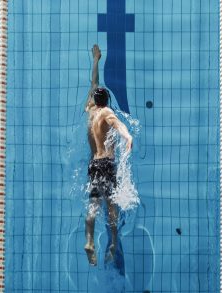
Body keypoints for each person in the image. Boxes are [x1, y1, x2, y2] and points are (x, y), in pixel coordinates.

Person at [84, 44, 133, 266]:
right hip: (106, 163)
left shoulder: (91, 111)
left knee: (94, 204)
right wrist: (127, 137)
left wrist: (96, 60)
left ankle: (89, 241)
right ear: (107, 102)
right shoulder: (106, 112)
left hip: (93, 164)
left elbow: (93, 83)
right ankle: (113, 242)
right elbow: (119, 124)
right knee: (111, 206)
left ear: (94, 100)